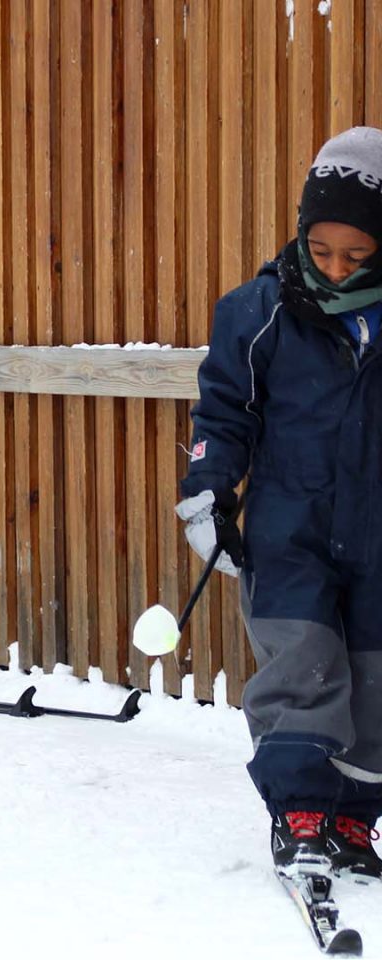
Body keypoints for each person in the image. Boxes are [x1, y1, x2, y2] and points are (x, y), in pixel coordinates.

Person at [176, 126, 382, 881]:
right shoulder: (260, 310)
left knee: (376, 677)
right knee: (302, 663)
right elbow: (224, 412)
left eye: (358, 257)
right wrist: (207, 490)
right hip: (288, 526)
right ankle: (299, 807)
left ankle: (356, 820)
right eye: (323, 251)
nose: (335, 269)